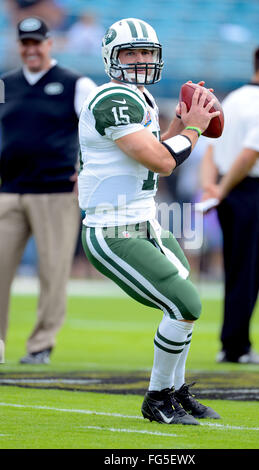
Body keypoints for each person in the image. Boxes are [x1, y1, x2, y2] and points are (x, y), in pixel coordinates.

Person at [78, 18, 221, 425]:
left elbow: (158, 156)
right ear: (111, 58)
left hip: (145, 220)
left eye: (147, 53)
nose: (141, 60)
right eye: (131, 53)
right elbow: (162, 161)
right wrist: (194, 127)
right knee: (185, 303)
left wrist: (179, 122)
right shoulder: (112, 100)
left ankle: (174, 391)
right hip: (112, 228)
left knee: (183, 303)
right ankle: (157, 398)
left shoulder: (138, 95)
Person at [0, 16, 97, 364]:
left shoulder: (76, 84)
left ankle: (41, 345)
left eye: (36, 42)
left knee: (53, 271)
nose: (31, 49)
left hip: (55, 191)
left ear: (49, 43)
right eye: (25, 43)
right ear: (19, 45)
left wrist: (85, 171)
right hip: (9, 190)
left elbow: (97, 132)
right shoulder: (4, 84)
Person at [200, 42, 259, 364]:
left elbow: (212, 150)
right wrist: (222, 188)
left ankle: (233, 342)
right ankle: (236, 346)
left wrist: (210, 187)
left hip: (229, 190)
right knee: (250, 270)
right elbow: (250, 154)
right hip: (250, 190)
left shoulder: (233, 100)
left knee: (237, 267)